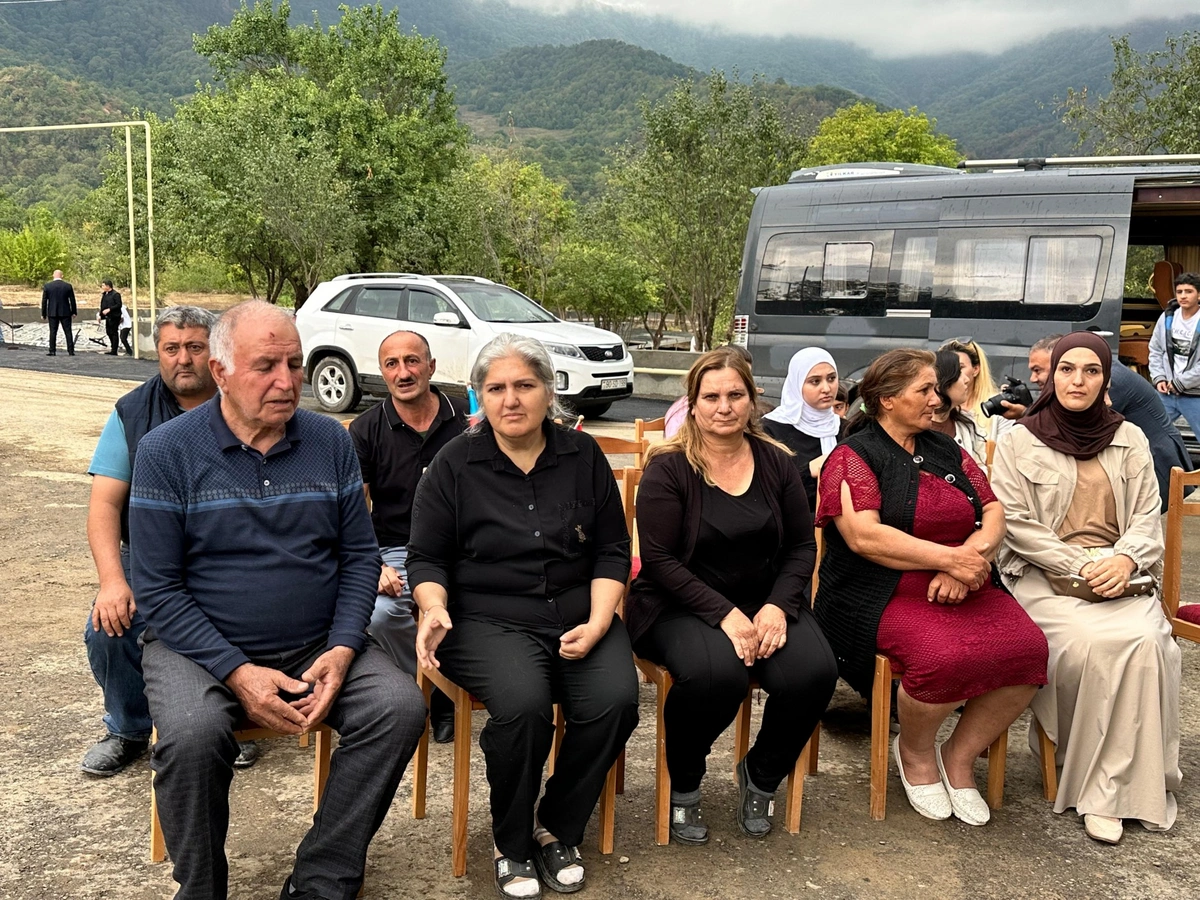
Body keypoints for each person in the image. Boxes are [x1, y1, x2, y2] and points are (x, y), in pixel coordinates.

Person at [129, 301, 426, 899]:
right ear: (220, 371)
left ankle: (323, 878)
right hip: (197, 652)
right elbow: (157, 588)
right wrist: (238, 672)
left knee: (398, 708)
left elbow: (359, 558)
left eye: (293, 363)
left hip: (317, 643)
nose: (288, 381)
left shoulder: (328, 442)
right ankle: (202, 887)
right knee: (190, 732)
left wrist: (343, 649)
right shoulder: (167, 451)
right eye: (266, 366)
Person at [409, 334, 637, 898]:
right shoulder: (454, 462)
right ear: (479, 397)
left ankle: (556, 824)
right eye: (496, 388)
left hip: (579, 612)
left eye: (524, 385)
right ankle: (510, 843)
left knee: (615, 700)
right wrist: (433, 605)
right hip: (486, 618)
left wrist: (602, 620)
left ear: (549, 390)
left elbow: (611, 548)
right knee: (523, 705)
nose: (511, 399)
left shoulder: (581, 456)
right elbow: (427, 556)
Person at [813, 349, 1047, 826]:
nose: (936, 399)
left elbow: (993, 509)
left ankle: (959, 758)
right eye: (923, 390)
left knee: (1029, 651)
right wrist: (950, 559)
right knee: (942, 657)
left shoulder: (945, 448)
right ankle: (916, 752)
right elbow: (864, 537)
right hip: (879, 592)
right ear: (886, 399)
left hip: (965, 579)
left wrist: (971, 559)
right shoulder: (853, 457)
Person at [626, 347, 837, 845]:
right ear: (694, 404)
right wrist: (725, 614)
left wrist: (776, 607)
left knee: (815, 671)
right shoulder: (668, 467)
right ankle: (685, 781)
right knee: (716, 675)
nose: (724, 406)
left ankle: (761, 776)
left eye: (735, 395)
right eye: (712, 396)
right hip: (676, 603)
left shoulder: (778, 463)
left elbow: (802, 546)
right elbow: (658, 560)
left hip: (764, 599)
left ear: (752, 400)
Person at [990, 331, 1181, 846]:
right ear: (1052, 375)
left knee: (1147, 643)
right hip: (1045, 579)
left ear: (1105, 378)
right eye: (1067, 369)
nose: (1078, 381)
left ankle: (1132, 789)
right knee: (1090, 646)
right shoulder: (1018, 440)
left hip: (1120, 575)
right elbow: (1014, 523)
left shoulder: (1130, 438)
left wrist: (1122, 558)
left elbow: (1147, 516)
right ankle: (1098, 788)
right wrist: (1078, 563)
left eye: (1091, 371)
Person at [83, 306, 257, 775]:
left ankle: (229, 722)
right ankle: (128, 728)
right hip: (149, 558)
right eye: (172, 348)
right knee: (107, 626)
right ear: (157, 352)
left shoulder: (248, 404)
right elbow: (104, 506)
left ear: (215, 353)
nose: (184, 359)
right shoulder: (131, 412)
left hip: (228, 556)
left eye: (196, 347)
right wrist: (112, 581)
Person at [348, 329, 465, 743]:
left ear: (431, 366)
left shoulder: (466, 425)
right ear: (381, 372)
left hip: (461, 549)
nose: (403, 372)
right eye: (392, 364)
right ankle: (419, 696)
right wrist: (372, 562)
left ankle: (450, 693)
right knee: (381, 613)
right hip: (393, 549)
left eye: (412, 361)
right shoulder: (364, 430)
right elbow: (354, 509)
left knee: (475, 602)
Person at [1030, 333, 1192, 512]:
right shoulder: (1101, 370)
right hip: (1144, 458)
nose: (1033, 378)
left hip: (1155, 461)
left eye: (1038, 370)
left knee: (1160, 526)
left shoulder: (1107, 378)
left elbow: (1078, 424)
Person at [762, 347, 846, 510]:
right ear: (797, 384)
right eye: (815, 381)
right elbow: (767, 489)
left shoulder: (846, 429)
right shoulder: (771, 430)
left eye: (831, 378)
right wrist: (809, 471)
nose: (826, 388)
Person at [1149, 272, 1200, 447]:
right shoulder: (1167, 317)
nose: (1183, 296)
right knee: (1148, 433)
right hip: (1166, 395)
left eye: (1189, 291)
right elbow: (1155, 349)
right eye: (1179, 292)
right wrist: (1159, 378)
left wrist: (1181, 382)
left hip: (1195, 396)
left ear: (1199, 295)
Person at [663, 344, 756, 438]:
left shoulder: (766, 449)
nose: (724, 408)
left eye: (735, 395)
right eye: (711, 397)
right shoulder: (682, 413)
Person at [940, 338, 1013, 442]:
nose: (955, 374)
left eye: (960, 367)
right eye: (951, 369)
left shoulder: (997, 406)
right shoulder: (936, 409)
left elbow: (1007, 450)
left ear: (975, 369)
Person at [929, 349, 986, 466]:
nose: (967, 380)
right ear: (941, 382)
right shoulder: (916, 427)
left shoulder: (968, 424)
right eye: (959, 373)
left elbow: (981, 469)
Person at [41, 268, 77, 356]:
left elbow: (44, 301)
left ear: (53, 275)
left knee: (53, 332)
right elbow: (72, 300)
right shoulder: (68, 286)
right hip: (65, 312)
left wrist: (43, 313)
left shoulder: (48, 286)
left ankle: (52, 350)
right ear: (62, 276)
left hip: (52, 312)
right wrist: (74, 311)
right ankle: (71, 351)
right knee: (68, 331)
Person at [99, 280, 123, 356]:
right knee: (108, 332)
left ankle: (114, 350)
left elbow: (119, 305)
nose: (102, 287)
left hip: (114, 316)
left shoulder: (116, 294)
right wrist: (100, 315)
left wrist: (110, 309)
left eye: (103, 285)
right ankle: (112, 347)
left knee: (114, 332)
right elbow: (103, 306)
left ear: (108, 286)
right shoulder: (105, 295)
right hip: (107, 316)